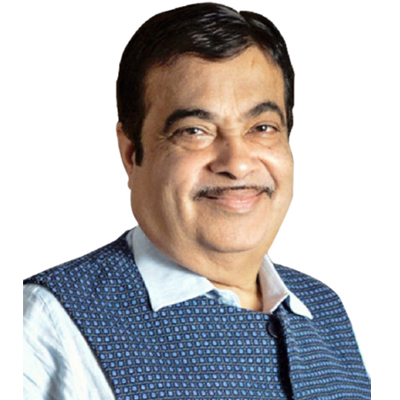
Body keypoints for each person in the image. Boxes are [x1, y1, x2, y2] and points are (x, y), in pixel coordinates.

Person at [23, 3, 370, 399]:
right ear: (131, 154)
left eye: (262, 127)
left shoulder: (326, 313)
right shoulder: (47, 328)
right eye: (194, 130)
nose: (237, 163)